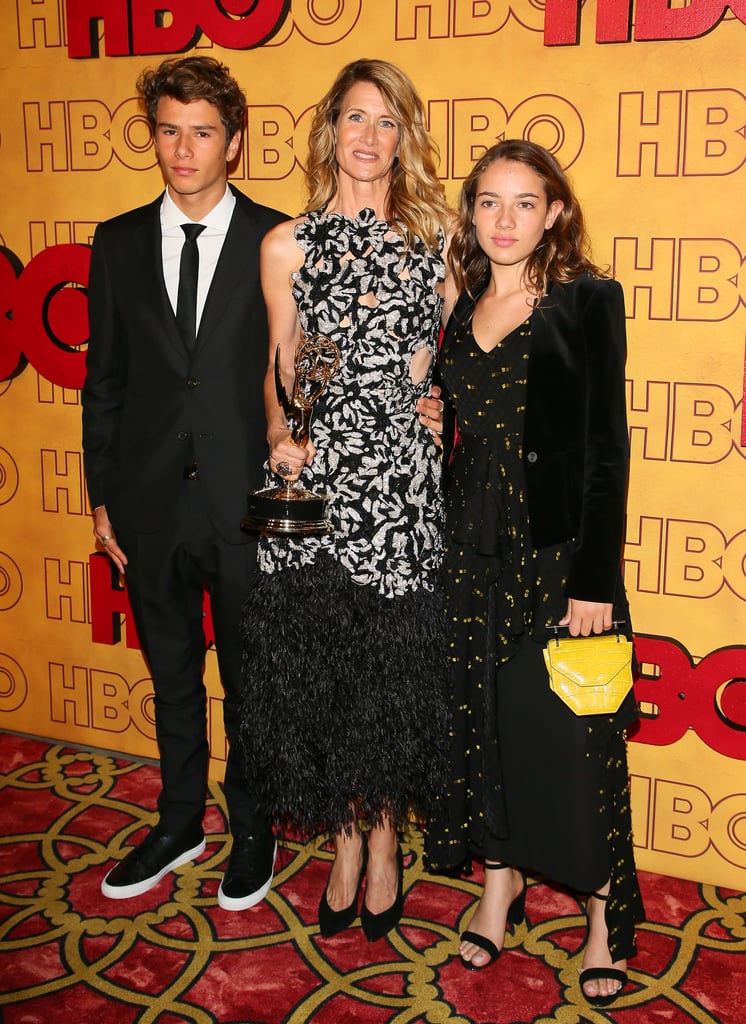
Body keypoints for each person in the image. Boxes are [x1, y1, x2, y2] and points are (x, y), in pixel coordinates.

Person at [424, 140, 644, 1006]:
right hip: (467, 554)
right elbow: (465, 427)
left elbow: (604, 449)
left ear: (555, 211)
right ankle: (500, 886)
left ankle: (601, 912)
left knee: (576, 742)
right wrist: (435, 414)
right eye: (488, 202)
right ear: (471, 212)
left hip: (556, 561)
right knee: (484, 729)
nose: (504, 220)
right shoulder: (463, 301)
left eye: (524, 202)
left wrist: (595, 580)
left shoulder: (588, 302)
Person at [239, 58, 453, 942]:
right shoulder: (286, 243)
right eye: (356, 119)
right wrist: (280, 436)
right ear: (331, 131)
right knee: (328, 672)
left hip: (400, 481)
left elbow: (443, 355)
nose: (370, 138)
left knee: (392, 674)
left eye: (388, 122)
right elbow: (284, 365)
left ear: (405, 138)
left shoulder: (434, 241)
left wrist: (442, 408)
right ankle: (343, 838)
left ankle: (386, 840)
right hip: (320, 480)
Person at [81, 56, 288, 910]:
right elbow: (107, 380)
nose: (183, 148)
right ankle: (177, 822)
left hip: (246, 504)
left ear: (233, 142)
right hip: (149, 502)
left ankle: (253, 828)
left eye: (202, 132)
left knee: (250, 679)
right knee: (170, 675)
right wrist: (102, 497)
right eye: (169, 130)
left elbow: (298, 373)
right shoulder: (119, 240)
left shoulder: (279, 239)